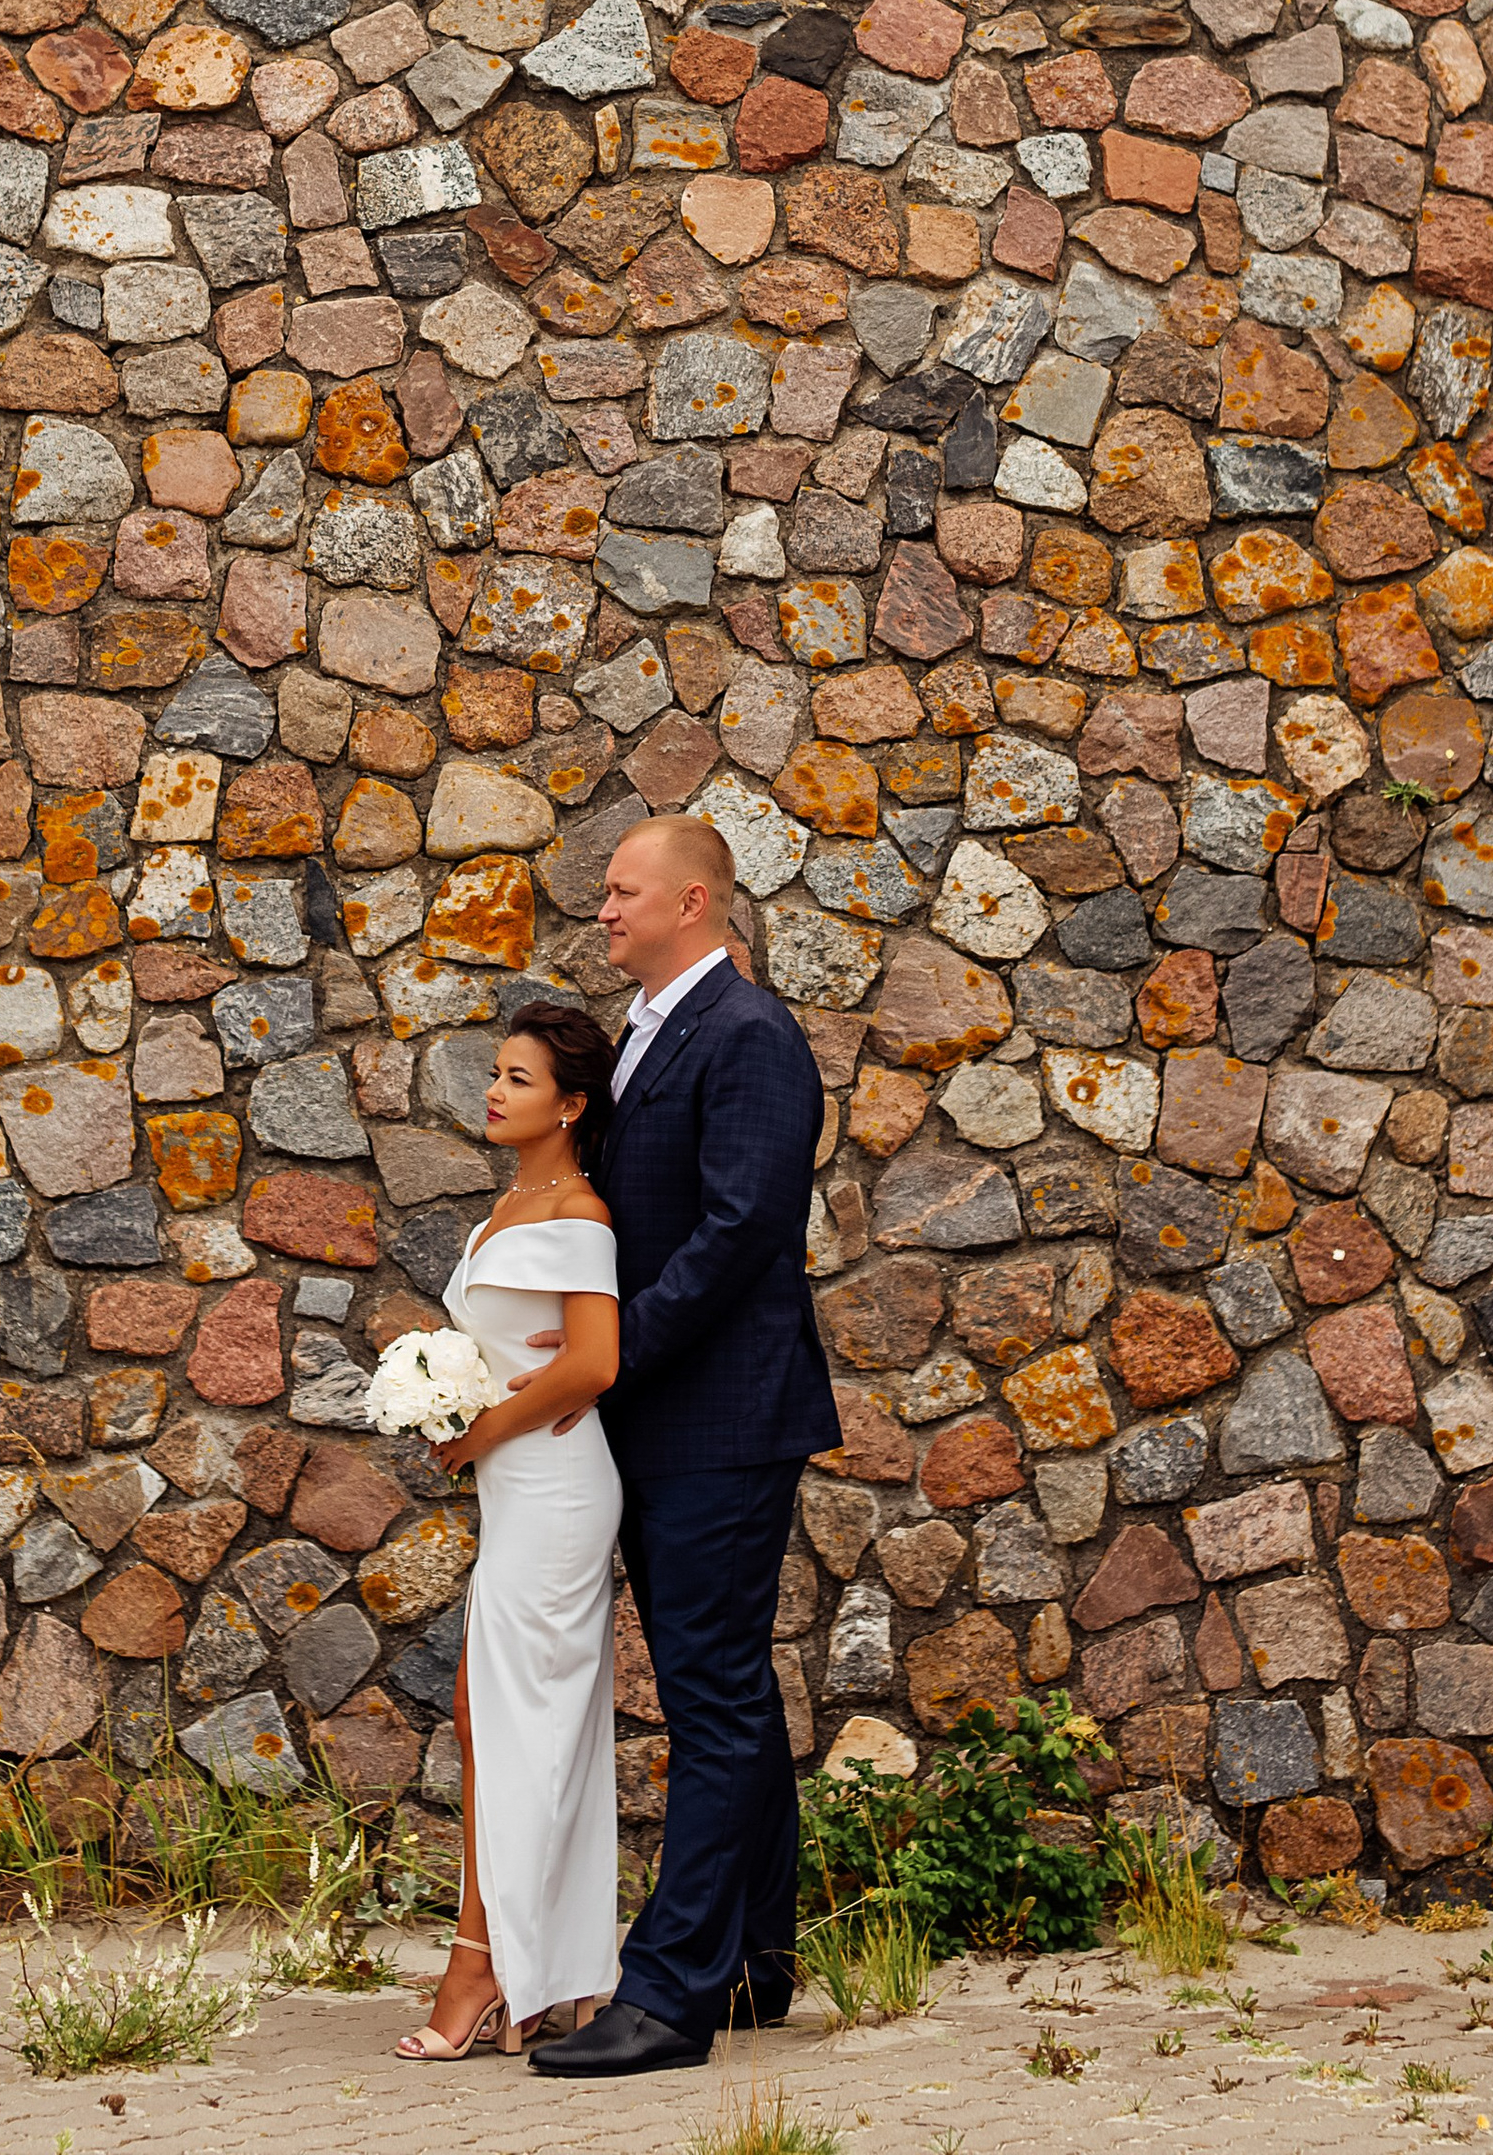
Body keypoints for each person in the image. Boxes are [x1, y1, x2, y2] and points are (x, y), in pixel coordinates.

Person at [528, 814, 838, 2081]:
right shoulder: (656, 1029)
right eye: (603, 893)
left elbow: (738, 1233)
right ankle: (757, 1957)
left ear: (694, 902)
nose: (602, 910)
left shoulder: (752, 1036)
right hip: (664, 1418)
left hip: (720, 1417)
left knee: (707, 1698)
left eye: (621, 892)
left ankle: (667, 1994)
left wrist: (612, 1354)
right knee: (728, 1689)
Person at [395, 1002, 622, 2060]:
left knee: (509, 1725)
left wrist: (473, 1428)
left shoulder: (575, 1211)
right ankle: (550, 1974)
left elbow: (592, 1364)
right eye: (496, 1073)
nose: (494, 1090)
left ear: (571, 1105)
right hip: (518, 1487)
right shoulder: (510, 1207)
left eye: (519, 1079)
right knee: (499, 1722)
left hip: (558, 1490)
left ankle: (484, 1968)